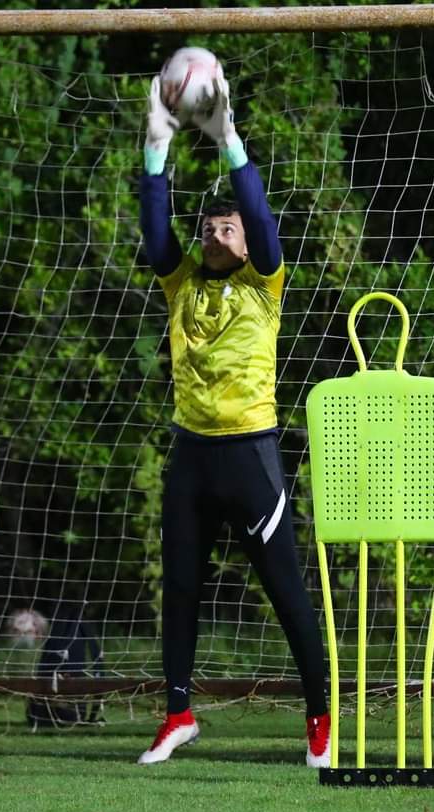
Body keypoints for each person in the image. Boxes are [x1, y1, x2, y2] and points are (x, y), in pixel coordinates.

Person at [136, 65, 329, 766]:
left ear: (247, 243)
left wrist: (228, 138)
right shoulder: (180, 280)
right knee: (180, 588)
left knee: (286, 593)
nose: (218, 232)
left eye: (229, 226)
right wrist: (157, 144)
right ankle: (178, 714)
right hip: (191, 456)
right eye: (209, 226)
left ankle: (320, 718)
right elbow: (154, 226)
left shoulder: (264, 281)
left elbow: (262, 217)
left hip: (251, 455)